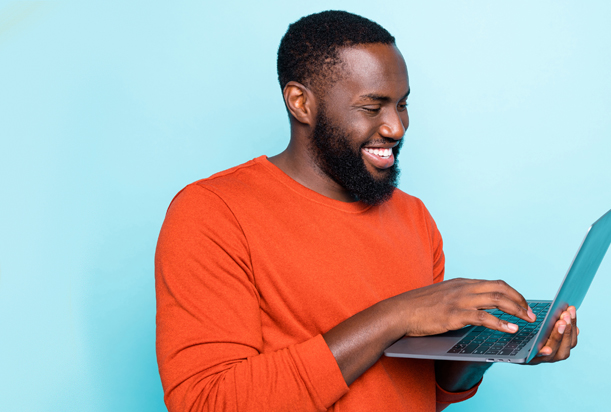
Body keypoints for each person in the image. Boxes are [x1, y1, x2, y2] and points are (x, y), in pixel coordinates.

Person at [155, 10, 578, 412]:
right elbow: (206, 401)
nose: (396, 127)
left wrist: (493, 346)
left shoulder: (414, 217)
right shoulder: (213, 213)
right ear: (301, 103)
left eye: (403, 104)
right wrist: (395, 315)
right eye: (372, 108)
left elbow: (419, 390)